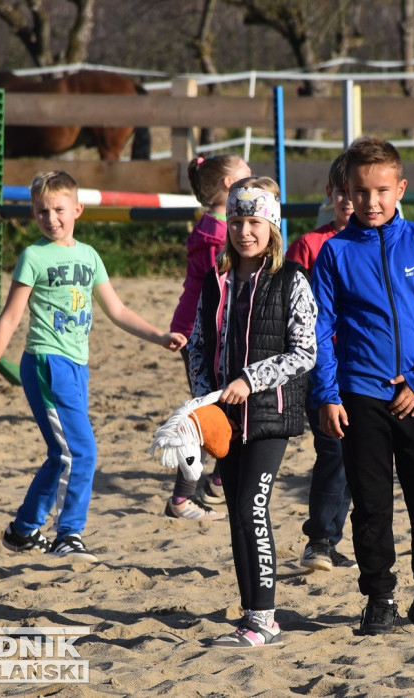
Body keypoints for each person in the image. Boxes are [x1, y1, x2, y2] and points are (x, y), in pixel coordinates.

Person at [0, 170, 186, 562]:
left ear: (77, 210)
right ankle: (68, 534)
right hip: (46, 365)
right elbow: (10, 319)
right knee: (81, 451)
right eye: (40, 212)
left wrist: (159, 336)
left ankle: (22, 530)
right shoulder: (34, 256)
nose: (50, 219)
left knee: (62, 452)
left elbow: (116, 310)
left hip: (77, 367)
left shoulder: (88, 256)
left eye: (58, 210)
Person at [310, 136, 414, 636]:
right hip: (360, 399)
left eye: (381, 190)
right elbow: (319, 330)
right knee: (371, 505)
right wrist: (328, 394)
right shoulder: (333, 254)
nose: (371, 202)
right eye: (360, 191)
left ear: (400, 188)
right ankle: (380, 598)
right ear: (345, 193)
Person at [187, 175, 317, 648]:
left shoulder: (291, 280)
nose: (245, 231)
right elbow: (199, 347)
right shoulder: (214, 280)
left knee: (251, 509)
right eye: (237, 221)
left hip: (268, 415)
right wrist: (206, 402)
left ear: (272, 227)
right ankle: (250, 614)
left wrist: (250, 380)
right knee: (238, 517)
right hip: (226, 417)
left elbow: (305, 352)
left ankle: (264, 620)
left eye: (255, 222)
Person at [165, 153, 251, 521]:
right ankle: (183, 498)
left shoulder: (218, 228)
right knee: (208, 412)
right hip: (200, 334)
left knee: (225, 405)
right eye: (248, 176)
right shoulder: (220, 236)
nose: (255, 179)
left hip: (204, 330)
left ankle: (216, 482)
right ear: (230, 186)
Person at [286, 152, 357, 572]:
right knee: (333, 449)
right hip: (320, 364)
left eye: (356, 192)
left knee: (352, 455)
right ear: (329, 195)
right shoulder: (311, 245)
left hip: (365, 366)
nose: (349, 200)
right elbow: (288, 307)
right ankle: (317, 539)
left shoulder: (381, 243)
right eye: (341, 192)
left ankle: (331, 539)